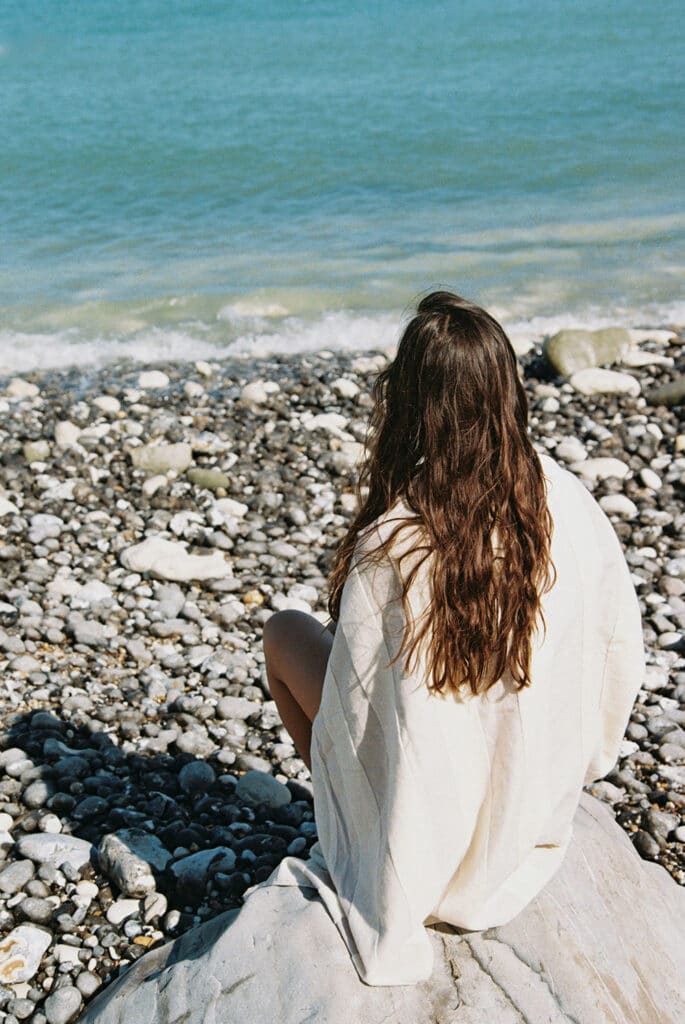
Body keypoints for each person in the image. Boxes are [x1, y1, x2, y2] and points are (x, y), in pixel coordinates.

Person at [262, 290, 644, 986]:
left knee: (284, 633)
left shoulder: (394, 543)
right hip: (525, 814)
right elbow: (618, 654)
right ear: (507, 391)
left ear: (407, 401)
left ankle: (360, 829)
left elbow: (360, 716)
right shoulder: (563, 500)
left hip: (421, 829)